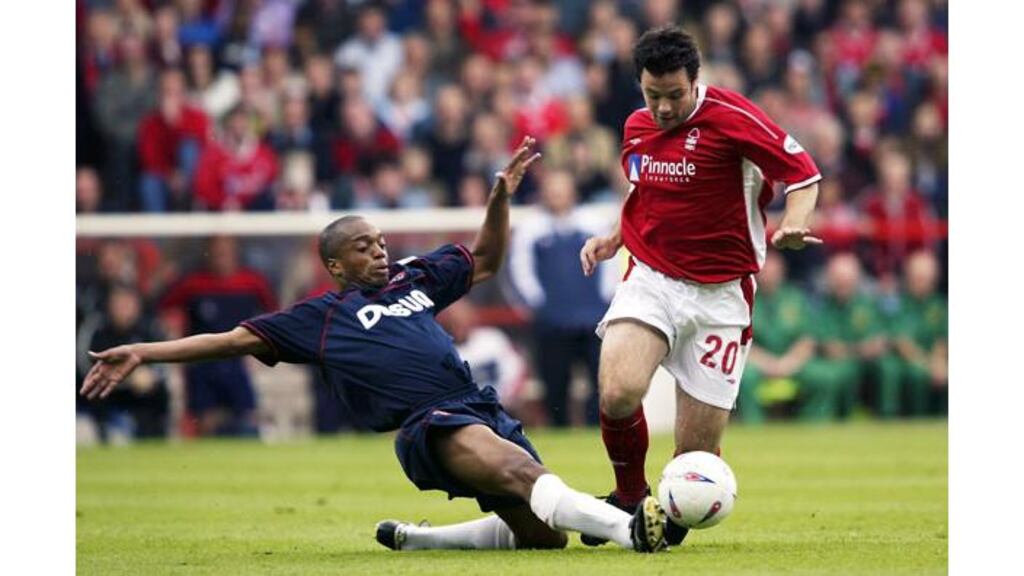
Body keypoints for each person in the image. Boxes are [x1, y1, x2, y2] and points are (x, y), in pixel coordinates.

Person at [81, 137, 669, 554]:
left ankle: (421, 540)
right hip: (429, 424)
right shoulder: (322, 316)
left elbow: (487, 259)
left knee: (544, 536)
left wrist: (499, 197)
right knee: (520, 473)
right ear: (335, 264)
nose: (379, 250)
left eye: (380, 240)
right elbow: (230, 341)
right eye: (363, 246)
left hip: (478, 405)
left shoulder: (413, 278)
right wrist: (144, 351)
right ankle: (627, 529)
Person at [578, 26, 822, 547]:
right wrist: (613, 238)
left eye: (674, 95)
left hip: (721, 298)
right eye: (652, 95)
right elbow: (643, 192)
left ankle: (667, 521)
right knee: (618, 388)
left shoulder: (734, 117)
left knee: (695, 463)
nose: (663, 108)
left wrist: (795, 223)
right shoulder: (636, 127)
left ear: (696, 81)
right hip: (653, 277)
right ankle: (627, 495)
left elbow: (803, 173)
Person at [509, 169, 616, 427]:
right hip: (552, 319)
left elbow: (611, 265)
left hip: (593, 316)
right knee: (555, 383)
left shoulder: (593, 222)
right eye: (552, 188)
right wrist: (538, 304)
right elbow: (519, 269)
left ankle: (598, 429)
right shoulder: (531, 228)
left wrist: (607, 300)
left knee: (602, 380)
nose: (557, 194)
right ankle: (560, 426)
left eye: (562, 187)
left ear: (573, 191)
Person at [158, 236, 276, 436]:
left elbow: (273, 312)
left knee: (247, 415)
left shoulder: (252, 281)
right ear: (208, 252)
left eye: (226, 249)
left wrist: (262, 346)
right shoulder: (193, 283)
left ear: (235, 251)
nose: (222, 255)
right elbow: (164, 309)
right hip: (202, 360)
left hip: (237, 360)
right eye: (217, 249)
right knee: (205, 419)